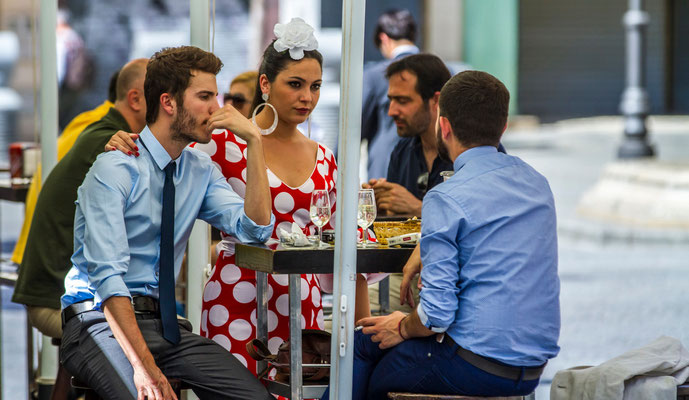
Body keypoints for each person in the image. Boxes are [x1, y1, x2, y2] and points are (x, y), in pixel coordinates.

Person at [59, 46, 275, 400]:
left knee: (255, 397)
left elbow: (255, 230)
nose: (217, 108)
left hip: (164, 326)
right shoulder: (114, 169)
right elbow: (109, 282)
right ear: (169, 103)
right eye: (205, 96)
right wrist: (146, 370)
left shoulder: (200, 171)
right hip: (98, 322)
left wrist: (254, 141)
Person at [331, 70, 561, 399]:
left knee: (364, 346)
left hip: (473, 365)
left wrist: (400, 326)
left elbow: (435, 316)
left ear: (445, 125)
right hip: (532, 369)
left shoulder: (446, 196)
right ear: (504, 126)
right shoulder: (537, 184)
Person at [195, 18, 381, 376]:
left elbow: (352, 245)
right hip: (235, 296)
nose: (307, 97)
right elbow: (164, 165)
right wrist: (126, 143)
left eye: (315, 86)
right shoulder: (222, 143)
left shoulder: (325, 158)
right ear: (265, 83)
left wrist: (362, 332)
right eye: (295, 84)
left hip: (302, 303)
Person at [11, 60, 145, 339]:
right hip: (57, 296)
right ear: (135, 99)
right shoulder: (113, 143)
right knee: (165, 334)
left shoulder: (99, 125)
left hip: (52, 286)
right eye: (162, 94)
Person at [10, 69, 120, 266]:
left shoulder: (90, 119)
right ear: (135, 98)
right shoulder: (111, 136)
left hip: (35, 252)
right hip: (53, 264)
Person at [361, 9, 419, 181]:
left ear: (383, 38)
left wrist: (333, 168)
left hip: (384, 169)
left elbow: (354, 128)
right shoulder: (442, 70)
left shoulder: (375, 74)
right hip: (431, 172)